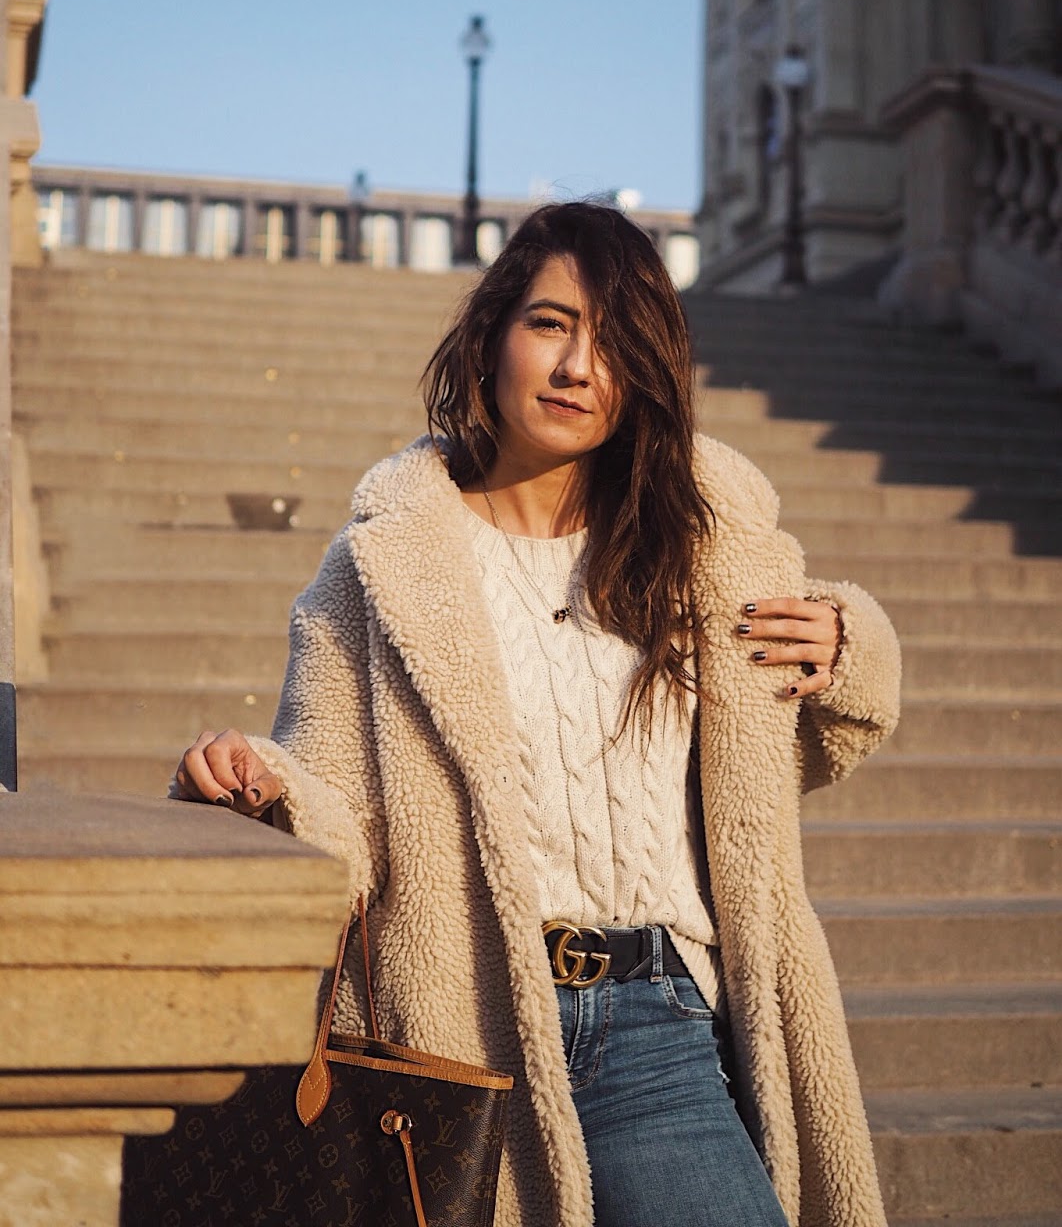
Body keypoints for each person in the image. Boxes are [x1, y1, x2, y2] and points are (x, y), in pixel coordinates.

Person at [174, 202, 901, 1227]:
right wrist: (263, 783)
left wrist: (846, 648)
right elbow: (341, 812)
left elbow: (794, 756)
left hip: (661, 1028)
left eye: (612, 341)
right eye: (550, 323)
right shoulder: (382, 565)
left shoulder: (699, 542)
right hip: (463, 1030)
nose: (576, 366)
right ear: (493, 335)